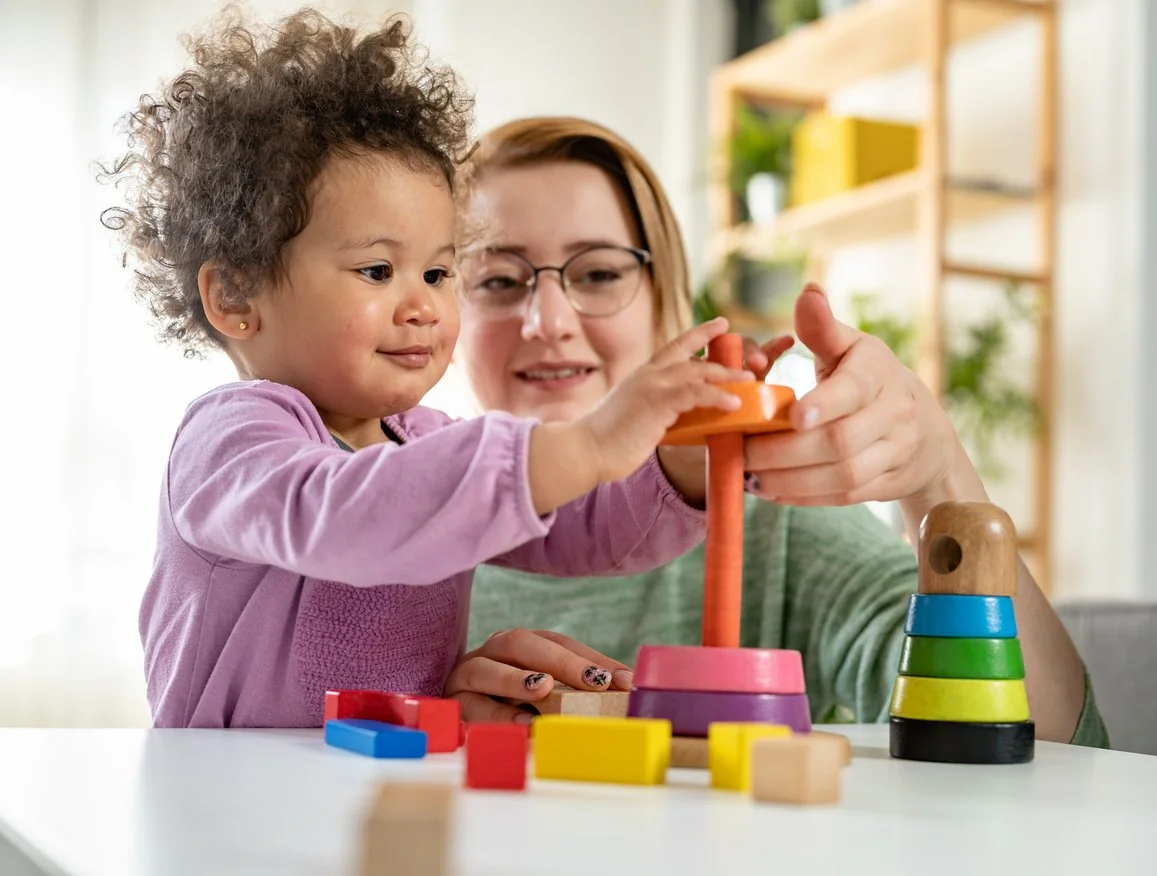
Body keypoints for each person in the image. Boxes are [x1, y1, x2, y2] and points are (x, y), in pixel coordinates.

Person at [99, 11, 759, 728]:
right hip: (231, 798)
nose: (424, 306)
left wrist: (680, 463)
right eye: (378, 270)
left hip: (387, 790)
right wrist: (589, 443)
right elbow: (346, 513)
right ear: (234, 296)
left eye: (441, 271)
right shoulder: (230, 441)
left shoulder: (427, 442)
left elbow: (581, 524)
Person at [454, 116, 1108, 747]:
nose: (549, 320)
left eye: (598, 273)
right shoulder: (385, 523)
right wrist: (421, 721)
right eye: (498, 280)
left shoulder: (772, 521)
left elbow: (1045, 746)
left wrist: (939, 479)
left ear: (665, 300)